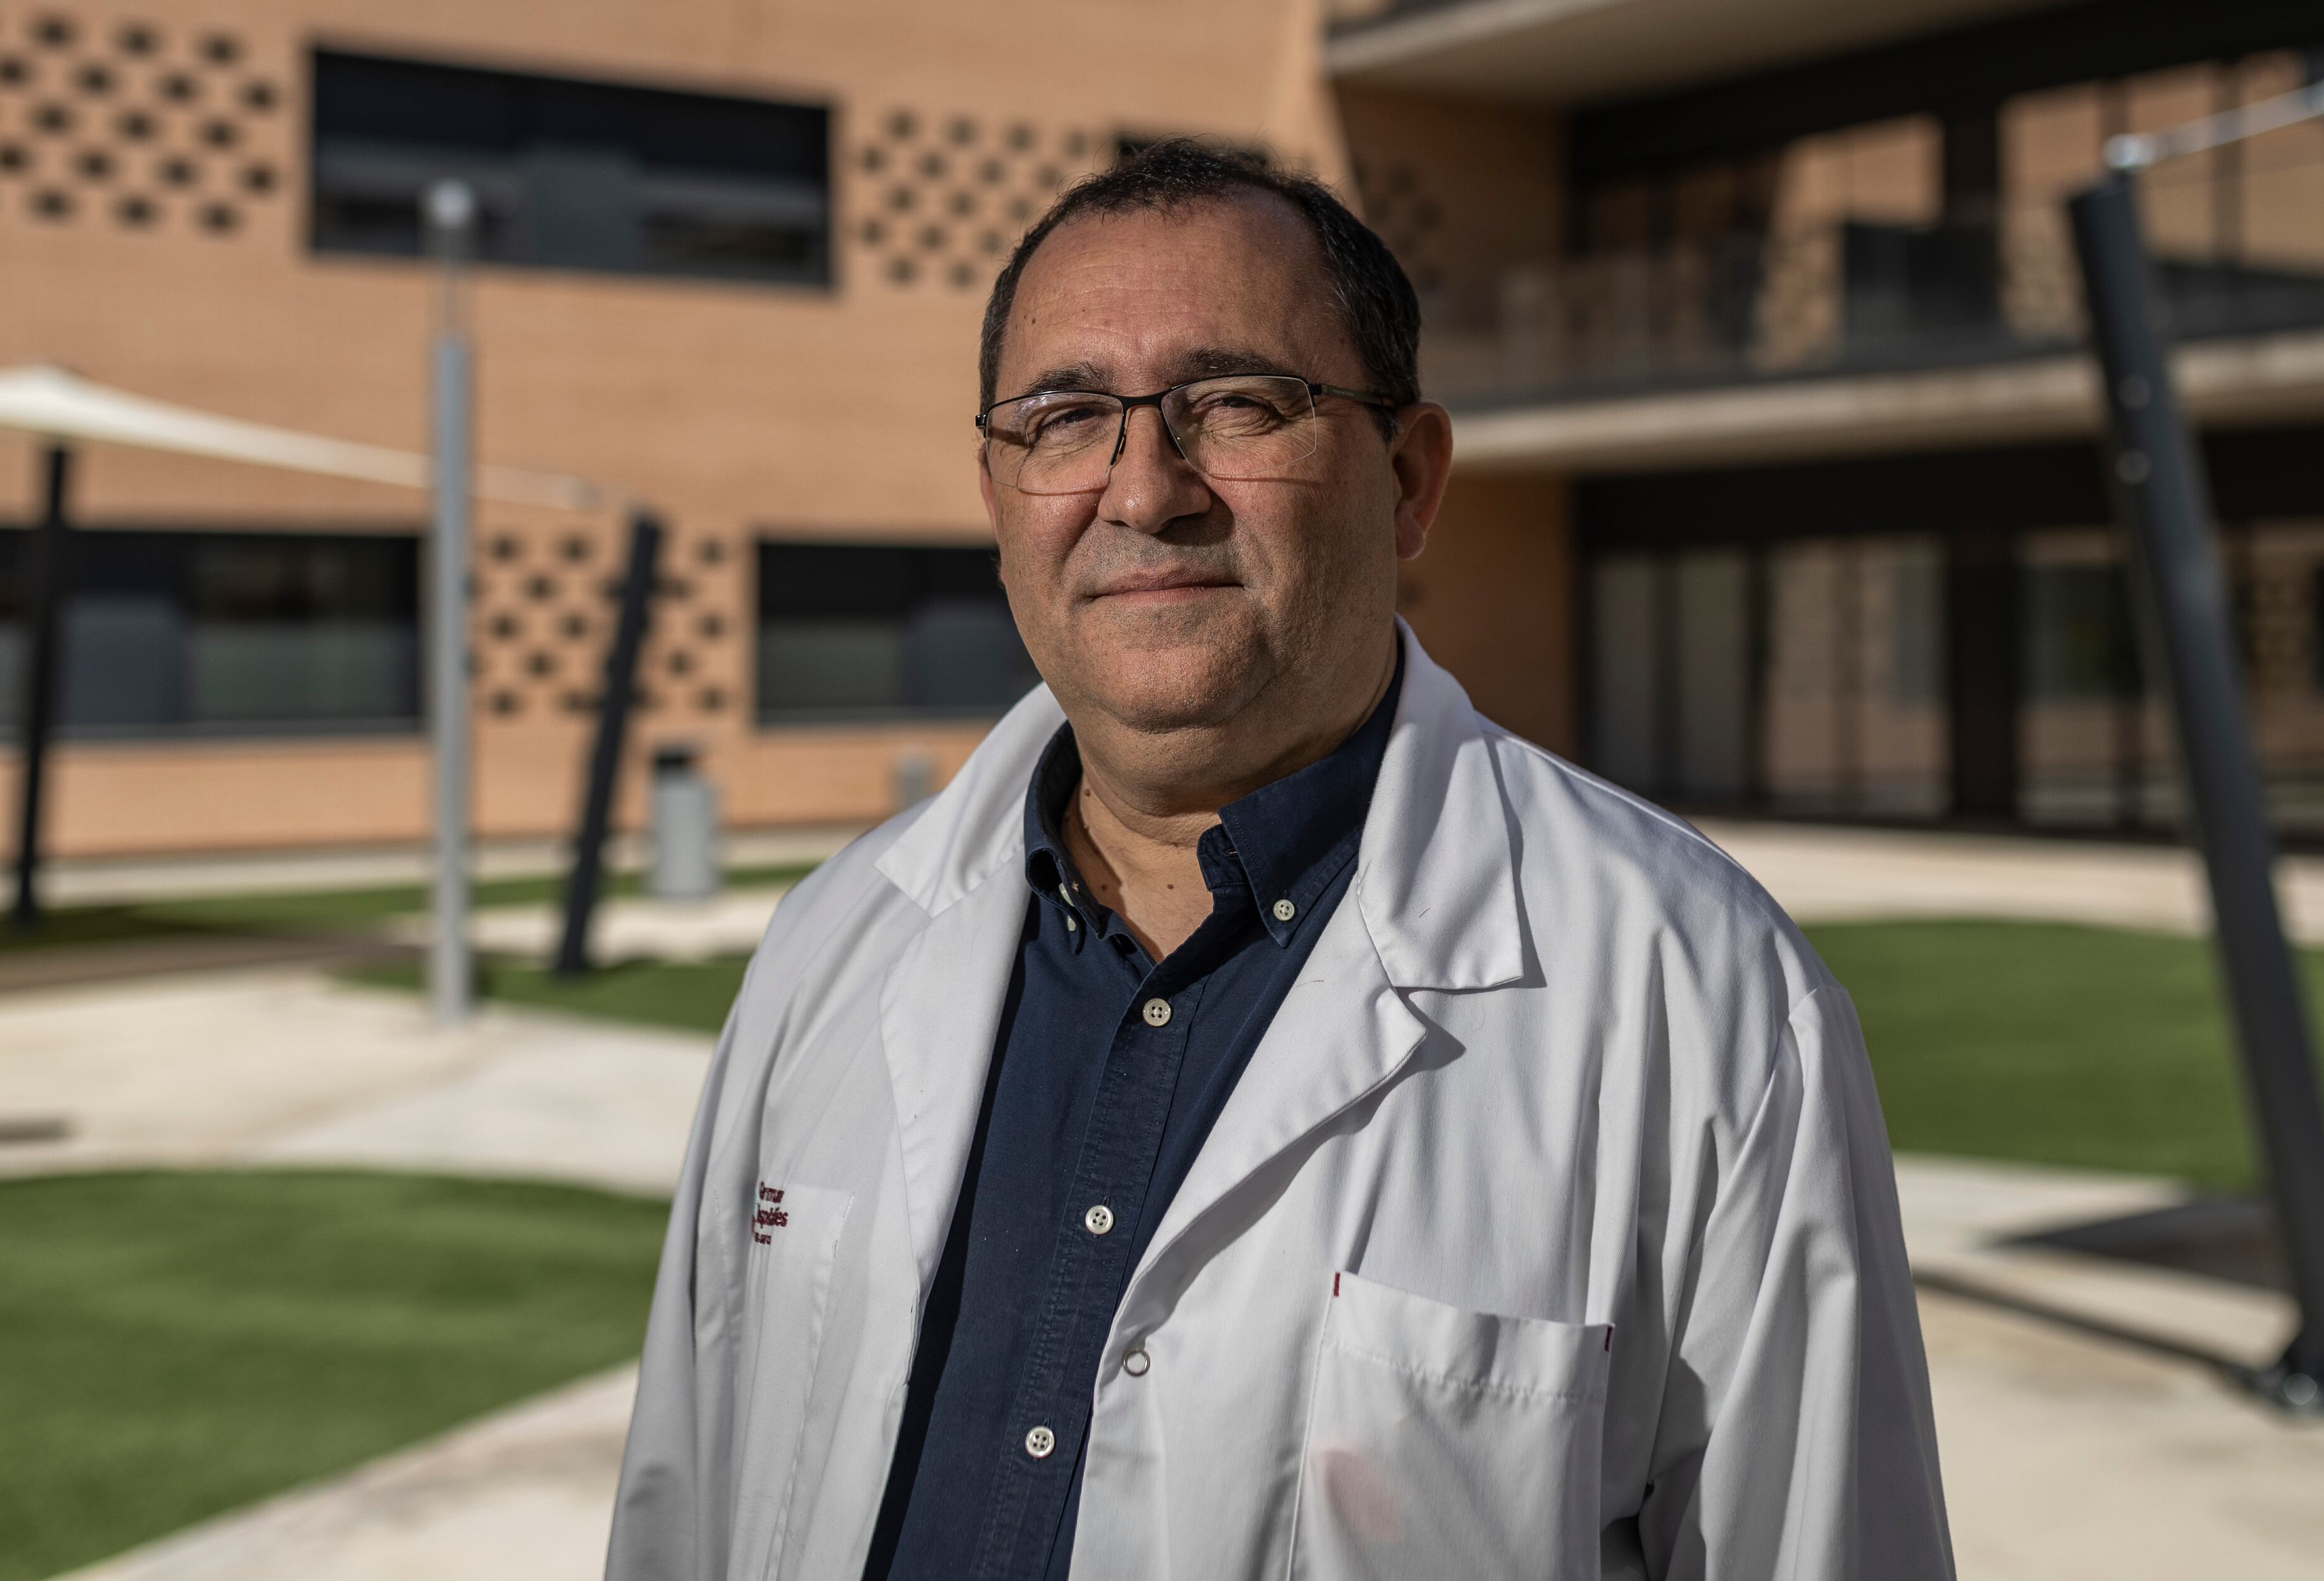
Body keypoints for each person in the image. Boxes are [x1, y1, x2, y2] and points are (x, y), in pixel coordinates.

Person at [604, 142, 1952, 1581]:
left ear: (1410, 480)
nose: (1144, 489)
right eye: (1064, 417)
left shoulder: (1702, 994)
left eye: (1235, 403)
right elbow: (687, 1508)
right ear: (998, 493)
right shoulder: (832, 943)